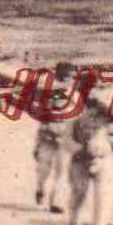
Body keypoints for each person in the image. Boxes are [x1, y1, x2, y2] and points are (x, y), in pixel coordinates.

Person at [66, 91, 113, 225]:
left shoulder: (107, 118)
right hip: (80, 161)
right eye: (90, 106)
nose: (93, 111)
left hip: (103, 160)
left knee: (104, 199)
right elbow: (67, 143)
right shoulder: (75, 120)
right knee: (80, 193)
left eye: (97, 107)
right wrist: (81, 149)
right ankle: (74, 220)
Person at [33, 61, 75, 213]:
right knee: (44, 169)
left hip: (65, 136)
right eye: (67, 77)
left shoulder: (74, 94)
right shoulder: (48, 93)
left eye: (71, 77)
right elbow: (41, 116)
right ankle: (40, 188)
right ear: (60, 77)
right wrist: (37, 142)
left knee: (62, 170)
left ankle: (55, 201)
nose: (69, 81)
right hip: (48, 135)